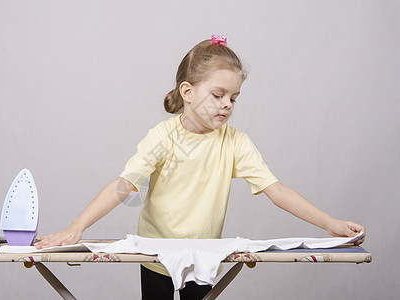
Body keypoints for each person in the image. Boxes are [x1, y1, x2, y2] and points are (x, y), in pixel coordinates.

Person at [34, 35, 365, 299]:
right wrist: (77, 227)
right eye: (218, 94)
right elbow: (124, 185)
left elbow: (276, 190)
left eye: (234, 98)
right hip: (156, 255)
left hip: (204, 255)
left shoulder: (235, 142)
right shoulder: (162, 137)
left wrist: (330, 223)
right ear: (188, 92)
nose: (226, 104)